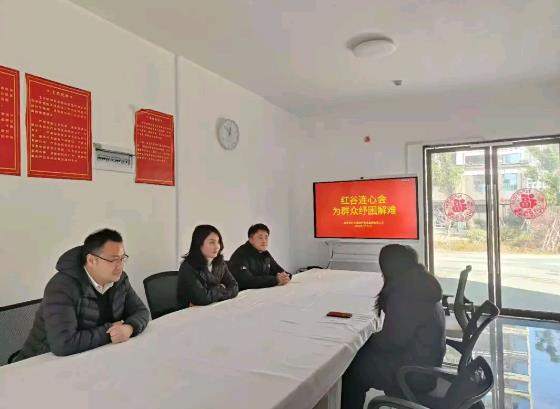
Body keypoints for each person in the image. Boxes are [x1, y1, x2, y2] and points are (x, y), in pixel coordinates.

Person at [14, 229, 150, 361]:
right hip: (40, 363)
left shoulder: (119, 279)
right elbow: (63, 344)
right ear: (91, 260)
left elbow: (141, 311)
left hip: (93, 357)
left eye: (122, 258)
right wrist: (110, 332)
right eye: (113, 260)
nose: (120, 266)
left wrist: (129, 327)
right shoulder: (61, 287)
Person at [341, 244, 446, 409]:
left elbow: (391, 341)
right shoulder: (421, 283)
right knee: (360, 355)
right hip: (425, 363)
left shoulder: (406, 294)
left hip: (414, 373)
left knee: (351, 367)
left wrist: (361, 340)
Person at [177, 224, 239, 307]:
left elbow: (234, 286)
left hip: (213, 306)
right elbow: (202, 298)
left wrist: (214, 292)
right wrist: (221, 287)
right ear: (199, 244)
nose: (217, 246)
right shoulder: (188, 267)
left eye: (218, 242)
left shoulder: (220, 263)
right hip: (189, 311)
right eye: (212, 242)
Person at [229, 223, 291, 291]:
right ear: (251, 239)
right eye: (260, 238)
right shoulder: (241, 254)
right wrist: (275, 280)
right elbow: (246, 281)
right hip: (242, 294)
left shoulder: (265, 253)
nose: (264, 241)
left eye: (266, 237)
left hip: (261, 292)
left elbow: (279, 270)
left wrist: (286, 276)